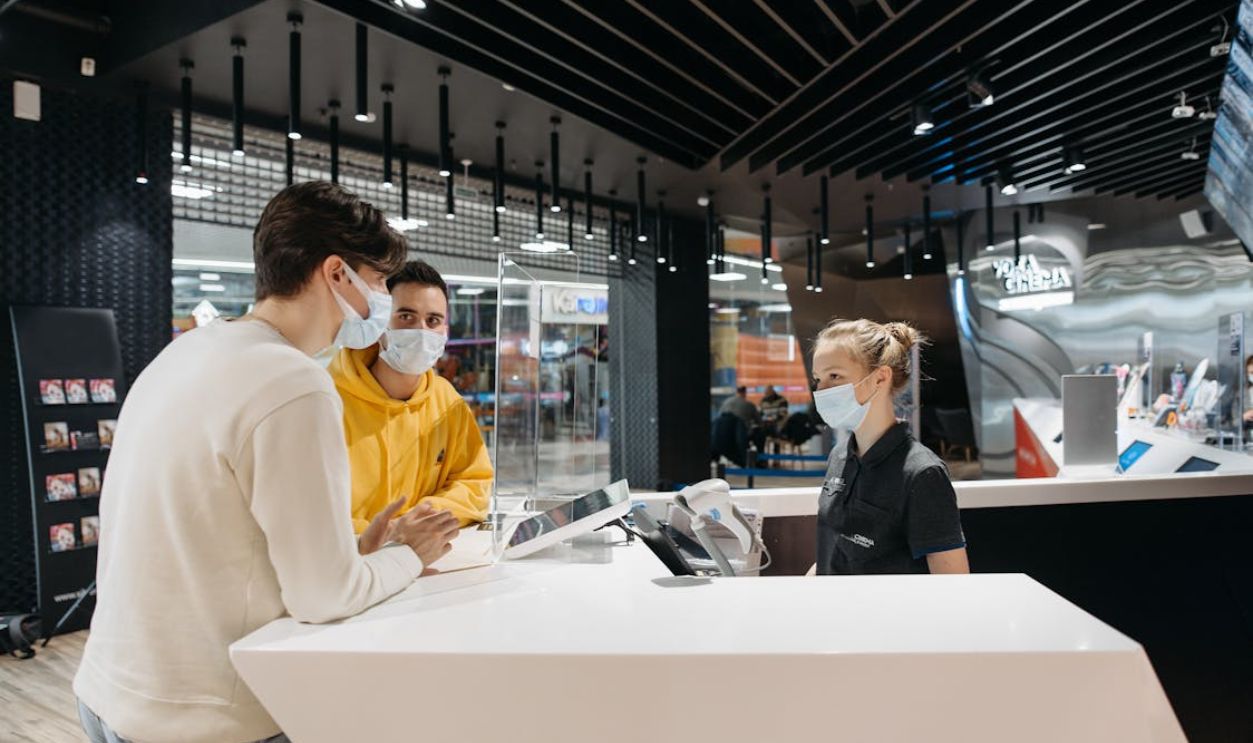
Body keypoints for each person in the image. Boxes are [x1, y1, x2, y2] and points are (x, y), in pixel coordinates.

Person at [74, 182, 461, 743]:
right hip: (207, 716)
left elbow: (217, 535)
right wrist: (408, 554)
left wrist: (350, 551)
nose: (380, 302)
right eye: (378, 283)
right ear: (336, 275)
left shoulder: (184, 354)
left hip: (110, 694)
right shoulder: (294, 383)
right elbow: (324, 598)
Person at [328, 260, 493, 532]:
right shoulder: (329, 400)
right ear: (379, 322)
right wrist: (388, 532)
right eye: (406, 316)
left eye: (433, 320)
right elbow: (308, 511)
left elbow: (474, 481)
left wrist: (425, 518)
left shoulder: (447, 402)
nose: (421, 331)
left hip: (426, 559)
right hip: (349, 562)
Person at [807, 319, 969, 576]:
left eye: (834, 376)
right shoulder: (839, 456)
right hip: (831, 612)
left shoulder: (922, 473)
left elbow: (953, 582)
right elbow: (834, 553)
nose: (821, 390)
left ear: (880, 377)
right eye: (818, 378)